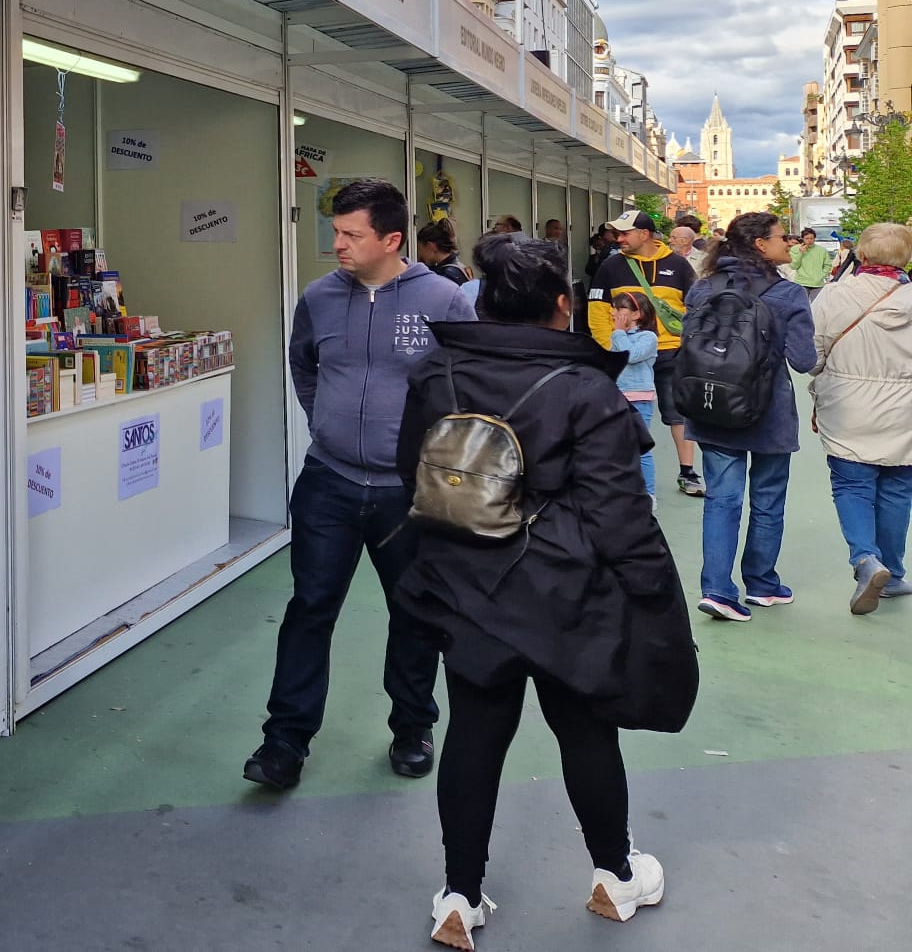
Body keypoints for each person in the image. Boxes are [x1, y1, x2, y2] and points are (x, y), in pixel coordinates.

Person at [396, 235, 692, 947]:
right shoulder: (587, 388)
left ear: (486, 302)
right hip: (567, 591)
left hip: (467, 584)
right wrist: (654, 595)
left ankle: (459, 897)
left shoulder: (436, 372)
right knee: (585, 732)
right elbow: (619, 514)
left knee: (472, 734)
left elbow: (416, 470)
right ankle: (614, 876)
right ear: (563, 306)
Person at [244, 179, 477, 792]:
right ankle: (284, 742)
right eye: (336, 232)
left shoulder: (445, 302)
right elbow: (303, 362)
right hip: (330, 481)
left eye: (351, 235)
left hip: (411, 491)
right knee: (309, 608)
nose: (337, 245)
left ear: (392, 239)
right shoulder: (319, 297)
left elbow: (469, 382)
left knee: (413, 611)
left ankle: (411, 726)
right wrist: (327, 417)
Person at [681, 212, 817, 622]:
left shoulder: (702, 287)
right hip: (767, 411)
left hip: (711, 406)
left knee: (722, 498)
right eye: (781, 237)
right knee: (768, 498)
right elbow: (803, 359)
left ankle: (718, 589)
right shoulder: (788, 294)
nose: (788, 243)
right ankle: (761, 584)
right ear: (760, 244)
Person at [808, 222, 912, 614]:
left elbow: (811, 356)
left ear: (861, 255)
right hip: (905, 409)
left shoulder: (834, 296)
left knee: (852, 485)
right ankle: (896, 572)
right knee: (898, 489)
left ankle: (866, 560)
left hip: (848, 406)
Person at [587, 211, 703, 497]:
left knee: (678, 415)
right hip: (624, 359)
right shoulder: (610, 266)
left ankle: (687, 471)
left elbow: (696, 307)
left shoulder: (679, 266)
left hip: (671, 352)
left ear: (645, 234)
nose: (619, 239)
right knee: (624, 417)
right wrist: (611, 350)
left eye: (625, 233)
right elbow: (598, 311)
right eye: (618, 233)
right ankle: (624, 477)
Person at [611, 291, 661, 500]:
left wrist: (619, 333)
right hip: (619, 397)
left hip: (639, 399)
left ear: (636, 314)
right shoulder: (618, 336)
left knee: (641, 448)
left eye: (620, 309)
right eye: (613, 309)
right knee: (618, 447)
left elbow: (629, 356)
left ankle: (648, 494)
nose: (614, 313)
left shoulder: (647, 337)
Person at [417, 221, 470, 286]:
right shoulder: (457, 267)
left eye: (420, 249)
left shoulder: (446, 275)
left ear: (431, 246)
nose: (420, 255)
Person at [789, 228, 834, 299]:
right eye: (807, 238)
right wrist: (800, 253)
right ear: (802, 238)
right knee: (802, 306)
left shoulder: (822, 250)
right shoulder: (795, 249)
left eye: (811, 238)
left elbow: (828, 265)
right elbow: (793, 266)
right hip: (801, 282)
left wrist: (821, 275)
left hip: (817, 283)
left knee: (817, 306)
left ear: (814, 238)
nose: (809, 240)